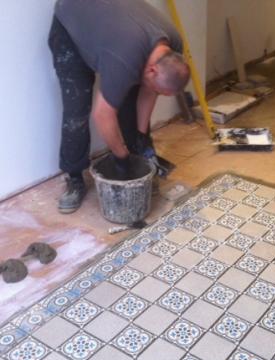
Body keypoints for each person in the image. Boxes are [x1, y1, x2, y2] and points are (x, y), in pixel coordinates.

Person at [48, 0, 190, 213]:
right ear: (151, 70)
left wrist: (141, 137)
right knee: (76, 109)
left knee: (130, 103)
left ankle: (140, 163)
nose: (157, 94)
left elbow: (150, 91)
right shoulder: (125, 57)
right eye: (160, 90)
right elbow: (103, 114)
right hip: (70, 24)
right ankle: (74, 177)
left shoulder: (173, 45)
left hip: (112, 30)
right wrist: (121, 157)